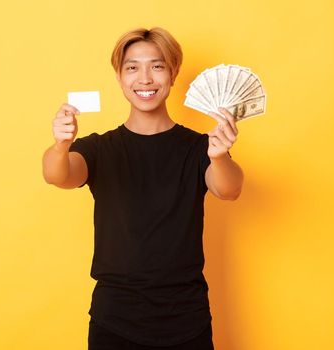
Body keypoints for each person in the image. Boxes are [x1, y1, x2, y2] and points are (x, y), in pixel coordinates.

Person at [41, 27, 243, 350]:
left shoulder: (200, 147)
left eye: (157, 66)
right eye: (132, 67)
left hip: (187, 320)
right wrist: (60, 145)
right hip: (114, 321)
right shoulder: (99, 148)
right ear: (120, 78)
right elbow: (57, 174)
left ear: (173, 74)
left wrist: (219, 158)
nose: (145, 78)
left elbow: (229, 189)